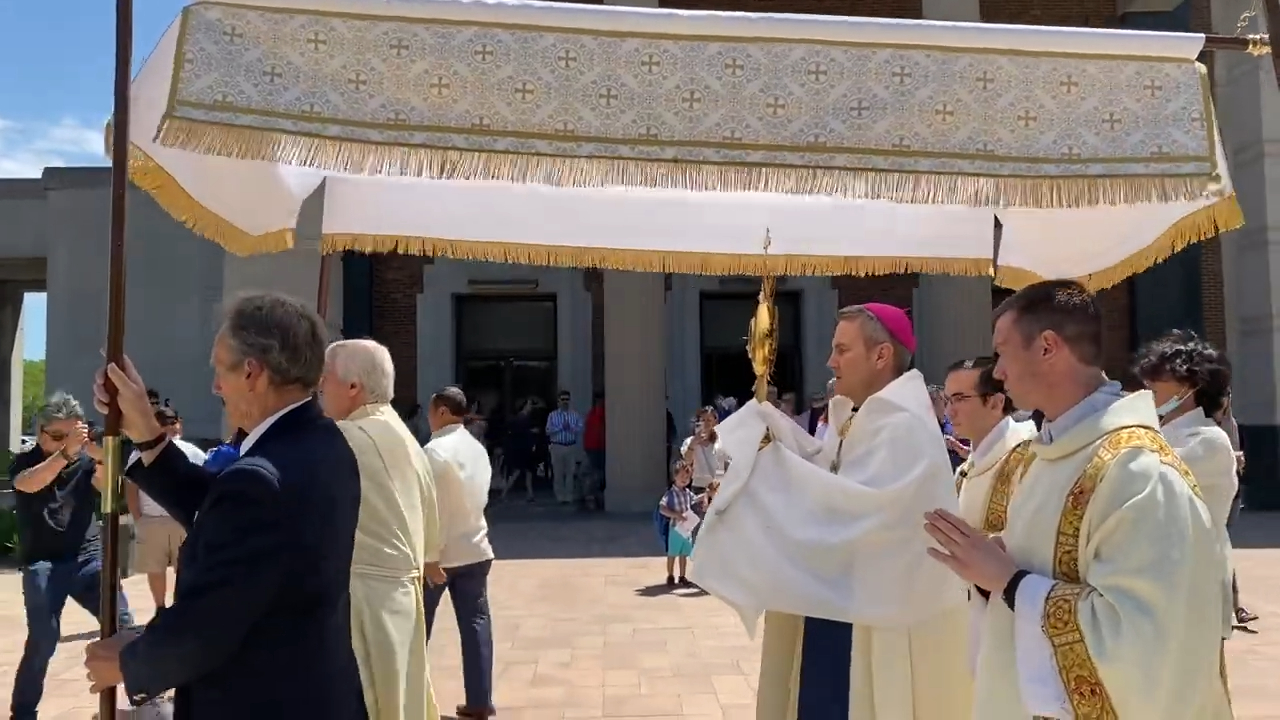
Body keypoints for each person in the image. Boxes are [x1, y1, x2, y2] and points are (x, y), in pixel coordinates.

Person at [924, 280, 1232, 719]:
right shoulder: (1039, 458)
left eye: (1004, 353)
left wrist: (1010, 583)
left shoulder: (1138, 473)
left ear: (1048, 346)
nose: (999, 374)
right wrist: (987, 568)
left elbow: (1147, 645)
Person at [84, 293, 367, 720]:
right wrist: (147, 432)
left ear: (252, 372)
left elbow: (205, 629)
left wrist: (129, 661)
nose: (216, 386)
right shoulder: (323, 444)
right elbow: (224, 517)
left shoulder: (260, 477)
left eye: (220, 369)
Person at [693, 303, 970, 720]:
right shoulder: (859, 418)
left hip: (873, 624)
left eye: (842, 349)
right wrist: (776, 436)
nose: (830, 361)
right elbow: (831, 478)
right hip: (837, 604)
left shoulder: (903, 426)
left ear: (882, 356)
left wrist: (770, 467)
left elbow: (853, 511)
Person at [319, 339, 443, 720]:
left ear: (353, 387)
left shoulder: (346, 438)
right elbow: (431, 523)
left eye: (324, 380)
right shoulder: (406, 436)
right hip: (403, 595)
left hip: (365, 600)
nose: (319, 389)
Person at [9, 393, 133, 720]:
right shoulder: (26, 460)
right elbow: (28, 484)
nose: (65, 442)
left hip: (87, 556)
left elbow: (107, 485)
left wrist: (101, 454)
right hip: (43, 563)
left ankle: (141, 703)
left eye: (71, 435)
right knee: (43, 640)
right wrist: (65, 454)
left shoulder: (87, 459)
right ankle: (22, 713)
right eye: (57, 436)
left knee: (124, 624)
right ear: (39, 432)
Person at [423, 386, 497, 720]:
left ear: (440, 411)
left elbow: (430, 509)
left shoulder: (434, 451)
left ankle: (414, 699)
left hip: (441, 555)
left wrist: (430, 556)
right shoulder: (477, 448)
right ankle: (480, 702)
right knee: (476, 626)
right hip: (476, 547)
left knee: (417, 630)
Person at [124, 406, 208, 611]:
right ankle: (164, 609)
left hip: (180, 519)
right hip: (159, 518)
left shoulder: (191, 450)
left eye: (172, 421)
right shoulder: (139, 454)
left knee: (175, 567)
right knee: (160, 567)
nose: (170, 426)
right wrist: (139, 517)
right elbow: (131, 487)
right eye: (166, 422)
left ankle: (172, 609)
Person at [943, 357, 1037, 532]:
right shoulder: (966, 469)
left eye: (960, 399)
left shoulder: (1031, 461)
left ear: (995, 403)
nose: (949, 411)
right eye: (947, 400)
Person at [657, 460, 709, 587]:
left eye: (687, 477)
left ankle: (682, 575)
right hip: (675, 528)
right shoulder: (670, 494)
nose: (685, 480)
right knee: (672, 553)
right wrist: (675, 515)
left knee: (684, 553)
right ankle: (670, 574)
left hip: (687, 529)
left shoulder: (687, 493)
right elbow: (662, 508)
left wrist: (706, 495)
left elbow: (695, 499)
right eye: (682, 477)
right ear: (675, 477)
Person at [545, 390, 584, 504]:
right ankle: (560, 496)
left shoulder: (575, 415)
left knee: (570, 473)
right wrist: (560, 428)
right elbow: (548, 431)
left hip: (570, 446)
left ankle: (568, 495)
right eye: (563, 399)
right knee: (558, 473)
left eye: (567, 399)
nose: (565, 402)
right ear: (558, 401)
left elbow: (580, 428)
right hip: (557, 446)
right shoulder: (552, 415)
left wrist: (570, 428)